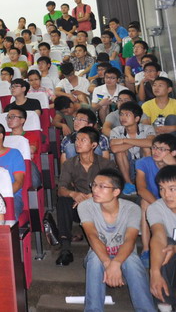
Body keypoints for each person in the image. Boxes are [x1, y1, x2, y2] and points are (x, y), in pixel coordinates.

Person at [78, 167, 156, 312]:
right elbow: (92, 236)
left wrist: (116, 263)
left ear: (116, 192)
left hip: (125, 255)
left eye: (102, 186)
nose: (95, 190)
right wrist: (109, 263)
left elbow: (130, 240)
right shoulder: (85, 206)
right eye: (94, 185)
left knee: (132, 260)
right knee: (95, 259)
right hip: (98, 254)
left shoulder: (132, 209)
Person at [55, 127, 116, 266]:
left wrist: (93, 196)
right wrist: (73, 193)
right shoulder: (69, 164)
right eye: (77, 140)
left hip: (100, 206)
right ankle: (65, 249)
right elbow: (61, 189)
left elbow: (114, 189)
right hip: (79, 206)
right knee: (63, 200)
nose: (78, 143)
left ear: (94, 145)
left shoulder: (106, 164)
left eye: (83, 140)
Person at [135, 134, 176, 267]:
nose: (156, 151)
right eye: (154, 147)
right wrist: (160, 206)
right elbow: (141, 189)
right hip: (152, 199)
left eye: (162, 149)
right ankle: (146, 249)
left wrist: (173, 164)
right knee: (145, 203)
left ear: (173, 152)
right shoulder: (143, 162)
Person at [110, 101, 156, 195]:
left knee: (146, 148)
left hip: (142, 161)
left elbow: (150, 143)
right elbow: (114, 148)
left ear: (137, 118)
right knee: (120, 151)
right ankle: (128, 184)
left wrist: (124, 140)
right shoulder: (116, 130)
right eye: (121, 114)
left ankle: (147, 181)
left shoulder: (148, 128)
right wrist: (139, 142)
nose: (123, 118)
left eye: (127, 115)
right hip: (126, 164)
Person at [147, 165, 176, 308]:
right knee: (166, 245)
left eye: (172, 189)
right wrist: (155, 273)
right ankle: (164, 305)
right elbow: (158, 236)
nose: (166, 195)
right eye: (161, 189)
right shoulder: (156, 208)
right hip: (171, 265)